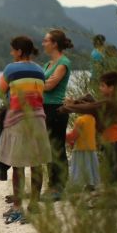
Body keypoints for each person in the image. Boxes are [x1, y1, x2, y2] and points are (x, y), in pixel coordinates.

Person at [0, 36, 53, 224]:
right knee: (37, 163)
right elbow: (40, 93)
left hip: (18, 120)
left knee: (18, 165)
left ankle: (18, 207)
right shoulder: (39, 69)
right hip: (38, 119)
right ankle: (34, 204)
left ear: (19, 51)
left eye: (13, 50)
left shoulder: (11, 68)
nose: (11, 53)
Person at [60, 71, 117, 183]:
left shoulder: (109, 102)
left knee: (112, 167)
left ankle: (113, 190)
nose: (100, 88)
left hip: (114, 139)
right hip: (112, 139)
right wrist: (75, 102)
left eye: (103, 86)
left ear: (112, 88)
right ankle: (112, 188)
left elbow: (90, 107)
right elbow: (91, 103)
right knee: (112, 165)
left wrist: (67, 108)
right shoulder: (109, 101)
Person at [41, 29, 74, 199]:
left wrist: (31, 84)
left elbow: (49, 86)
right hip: (45, 109)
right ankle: (52, 185)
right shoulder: (47, 64)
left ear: (54, 44)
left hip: (56, 110)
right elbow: (41, 83)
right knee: (48, 148)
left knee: (57, 147)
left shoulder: (63, 62)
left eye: (46, 40)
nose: (43, 43)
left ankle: (59, 186)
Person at [65, 94, 100, 191]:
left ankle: (77, 187)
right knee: (90, 168)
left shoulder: (80, 120)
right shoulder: (93, 119)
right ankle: (91, 185)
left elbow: (73, 136)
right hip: (91, 148)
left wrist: (63, 136)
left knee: (79, 170)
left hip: (81, 149)